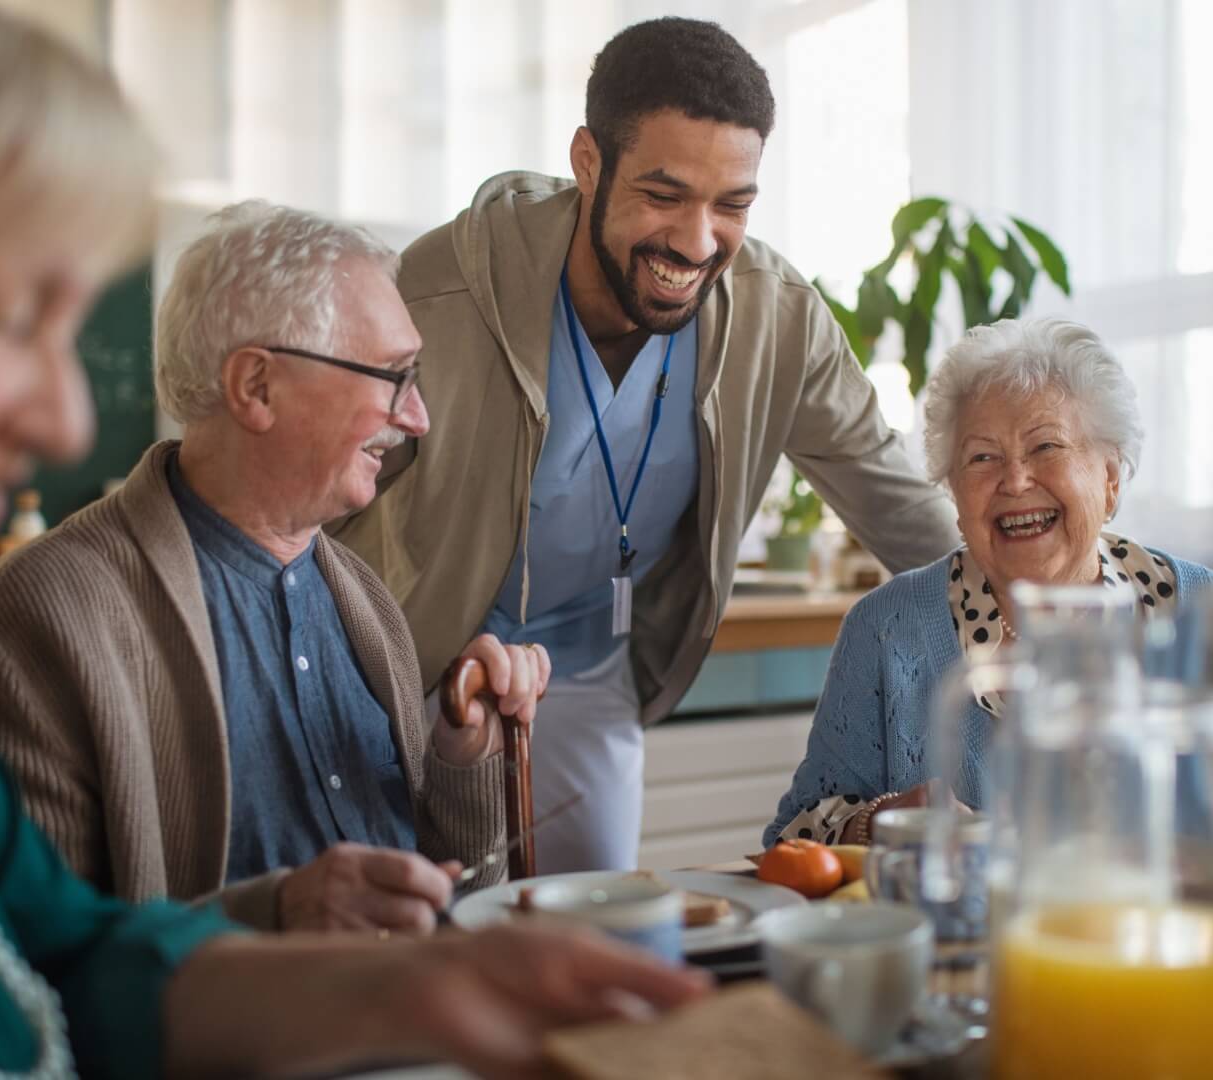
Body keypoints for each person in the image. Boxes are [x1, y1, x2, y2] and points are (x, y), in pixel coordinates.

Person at [0, 2, 704, 1076]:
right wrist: (302, 932)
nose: (69, 423)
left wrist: (429, 972)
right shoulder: (49, 612)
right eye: (6, 316)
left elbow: (61, 955)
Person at [329, 16, 961, 873]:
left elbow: (899, 500)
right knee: (410, 942)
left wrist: (1050, 599)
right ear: (588, 163)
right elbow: (316, 507)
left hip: (590, 673)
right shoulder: (436, 295)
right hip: (414, 675)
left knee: (598, 948)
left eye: (731, 205)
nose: (698, 243)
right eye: (664, 196)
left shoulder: (778, 318)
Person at [0, 201, 550, 934]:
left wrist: (464, 753)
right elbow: (23, 949)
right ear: (256, 386)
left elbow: (452, 893)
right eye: (392, 375)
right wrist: (279, 915)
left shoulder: (365, 601)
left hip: (404, 1029)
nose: (417, 416)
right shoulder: (47, 613)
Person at [764, 317, 1213, 844]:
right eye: (982, 457)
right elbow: (792, 841)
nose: (1015, 480)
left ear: (1110, 479)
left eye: (1047, 447)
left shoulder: (1204, 614)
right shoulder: (885, 629)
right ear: (954, 493)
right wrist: (879, 820)